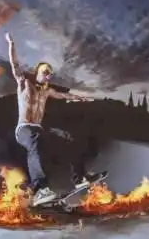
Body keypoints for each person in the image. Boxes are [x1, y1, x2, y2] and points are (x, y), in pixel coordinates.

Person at [6, 32, 105, 206]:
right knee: (35, 141)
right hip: (24, 129)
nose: (48, 76)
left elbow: (63, 95)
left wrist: (81, 98)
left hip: (39, 129)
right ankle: (39, 189)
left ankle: (80, 177)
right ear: (37, 72)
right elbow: (14, 65)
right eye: (45, 72)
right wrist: (11, 43)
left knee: (66, 137)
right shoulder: (24, 83)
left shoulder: (46, 91)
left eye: (50, 74)